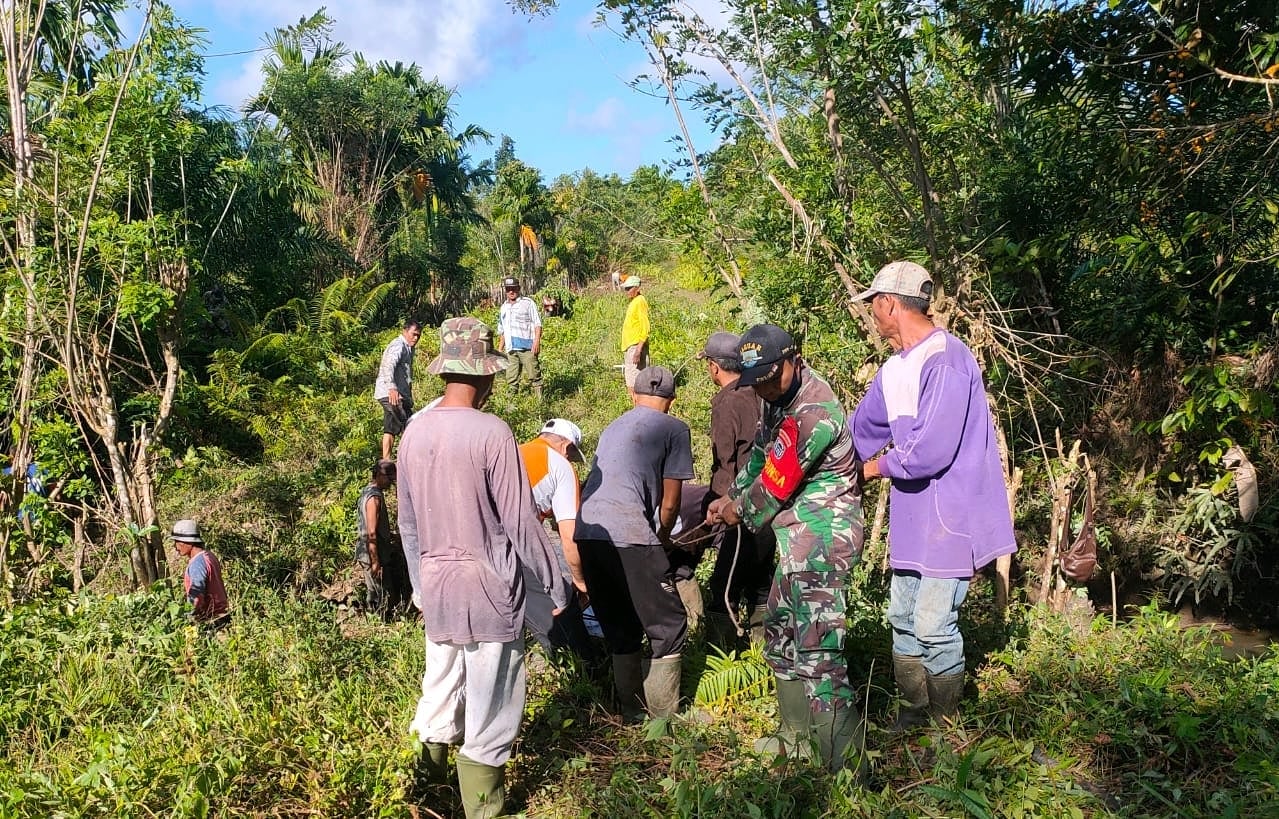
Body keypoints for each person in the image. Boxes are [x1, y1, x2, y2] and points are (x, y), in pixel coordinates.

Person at [397, 317, 568, 819]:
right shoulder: (493, 432)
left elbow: (408, 524)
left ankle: (425, 796)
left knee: (440, 686)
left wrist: (419, 586)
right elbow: (520, 522)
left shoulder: (413, 434)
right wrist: (556, 586)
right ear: (487, 376)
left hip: (437, 585)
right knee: (491, 702)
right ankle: (483, 809)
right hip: (491, 588)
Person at [850, 260, 1017, 730]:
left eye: (874, 307)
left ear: (889, 303)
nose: (873, 317)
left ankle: (946, 725)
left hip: (949, 513)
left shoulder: (947, 360)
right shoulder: (893, 369)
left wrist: (871, 468)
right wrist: (824, 465)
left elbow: (930, 451)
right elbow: (861, 430)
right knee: (902, 616)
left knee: (932, 624)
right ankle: (912, 714)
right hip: (911, 515)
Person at [706, 325, 865, 774]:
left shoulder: (814, 412)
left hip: (823, 539)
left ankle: (848, 769)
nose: (761, 389)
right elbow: (759, 457)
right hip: (795, 537)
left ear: (793, 360)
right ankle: (795, 740)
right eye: (753, 381)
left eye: (767, 379)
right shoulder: (775, 399)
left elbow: (774, 485)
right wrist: (728, 496)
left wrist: (737, 508)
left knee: (818, 650)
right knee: (779, 629)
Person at [575, 365, 693, 720]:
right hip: (631, 533)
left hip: (589, 531)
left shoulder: (612, 426)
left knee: (619, 621)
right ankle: (662, 718)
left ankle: (630, 710)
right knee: (668, 624)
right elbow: (670, 502)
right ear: (672, 400)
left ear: (633, 396)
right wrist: (661, 540)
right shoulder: (674, 428)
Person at [698, 331, 776, 650]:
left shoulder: (727, 402)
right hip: (770, 501)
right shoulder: (759, 393)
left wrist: (718, 507)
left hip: (740, 507)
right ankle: (763, 654)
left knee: (722, 587)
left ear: (715, 367)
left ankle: (721, 659)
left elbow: (725, 462)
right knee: (760, 582)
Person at [519, 418, 600, 662]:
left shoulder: (517, 450)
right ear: (566, 447)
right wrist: (580, 581)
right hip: (510, 543)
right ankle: (582, 673)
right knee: (562, 611)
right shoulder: (560, 466)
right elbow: (569, 536)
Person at [355, 459, 411, 621]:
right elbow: (371, 533)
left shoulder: (367, 491)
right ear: (379, 475)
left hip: (372, 551)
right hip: (373, 554)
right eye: (389, 478)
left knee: (379, 593)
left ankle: (379, 622)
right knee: (381, 595)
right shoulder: (374, 498)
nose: (390, 483)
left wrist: (391, 536)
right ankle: (381, 624)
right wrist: (375, 562)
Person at [374, 320, 423, 460]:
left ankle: (386, 462)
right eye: (413, 334)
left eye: (418, 336)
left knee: (390, 428)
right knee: (409, 425)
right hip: (391, 394)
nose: (416, 338)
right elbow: (388, 365)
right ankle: (412, 460)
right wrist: (392, 388)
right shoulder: (398, 345)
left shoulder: (408, 348)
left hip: (396, 395)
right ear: (405, 331)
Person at [169, 519, 231, 629]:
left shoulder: (197, 563)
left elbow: (197, 595)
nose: (176, 547)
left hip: (211, 621)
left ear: (188, 542)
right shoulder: (209, 556)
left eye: (178, 542)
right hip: (223, 616)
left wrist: (187, 618)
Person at [496, 276, 543, 399]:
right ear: (505, 290)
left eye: (514, 288)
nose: (511, 292)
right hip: (511, 349)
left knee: (534, 375)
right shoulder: (503, 307)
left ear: (518, 288)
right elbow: (503, 330)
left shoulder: (527, 303)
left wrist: (536, 342)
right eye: (508, 289)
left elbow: (537, 324)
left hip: (527, 347)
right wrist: (500, 349)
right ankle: (511, 405)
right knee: (511, 378)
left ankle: (540, 403)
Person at [619, 275, 649, 399]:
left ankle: (638, 410)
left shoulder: (640, 301)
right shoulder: (634, 302)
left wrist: (638, 350)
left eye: (629, 288)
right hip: (631, 346)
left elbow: (645, 327)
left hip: (636, 346)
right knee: (632, 382)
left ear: (637, 288)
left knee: (634, 384)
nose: (627, 291)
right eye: (626, 289)